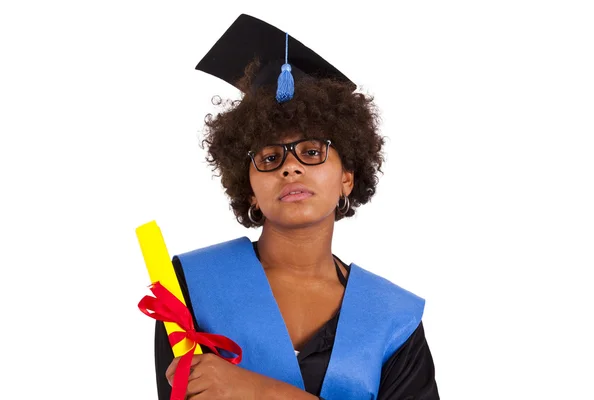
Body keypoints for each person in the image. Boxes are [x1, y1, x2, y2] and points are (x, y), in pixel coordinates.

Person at [154, 13, 440, 400]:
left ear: (347, 177)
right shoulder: (193, 285)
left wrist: (257, 391)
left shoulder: (393, 319)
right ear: (249, 189)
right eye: (270, 158)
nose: (290, 167)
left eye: (311, 151)